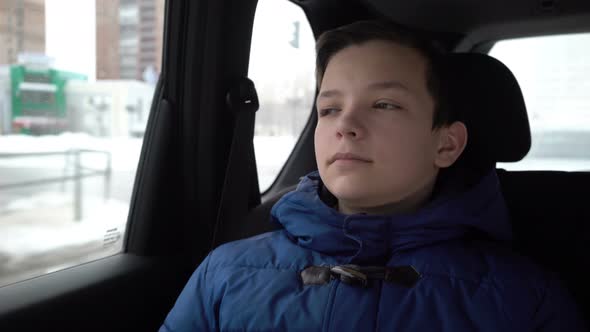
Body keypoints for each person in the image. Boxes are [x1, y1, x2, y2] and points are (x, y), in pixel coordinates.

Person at [159, 20, 586, 331]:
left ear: (446, 145)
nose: (345, 124)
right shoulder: (226, 272)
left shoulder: (525, 299)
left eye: (384, 104)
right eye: (329, 109)